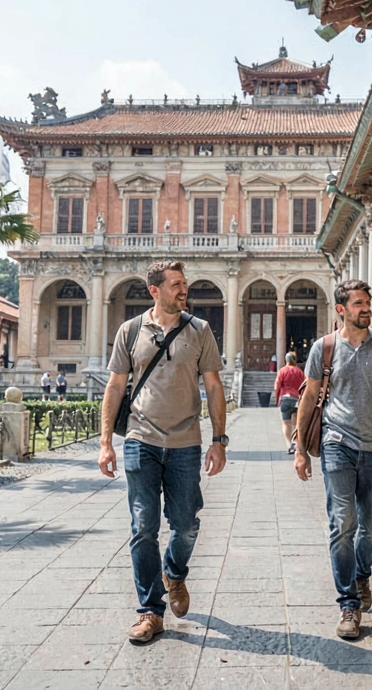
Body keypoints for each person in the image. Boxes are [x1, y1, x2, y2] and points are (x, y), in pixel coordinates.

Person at [98, 260, 228, 645]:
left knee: (186, 524)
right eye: (175, 284)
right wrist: (106, 441)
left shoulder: (200, 330)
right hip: (140, 439)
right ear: (154, 291)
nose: (182, 289)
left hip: (186, 441)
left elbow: (215, 387)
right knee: (142, 527)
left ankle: (174, 571)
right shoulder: (131, 330)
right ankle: (150, 612)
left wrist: (219, 439)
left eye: (184, 283)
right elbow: (115, 387)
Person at [295, 279, 372, 641]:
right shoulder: (324, 348)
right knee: (341, 522)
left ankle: (361, 575)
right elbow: (309, 397)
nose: (366, 308)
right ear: (341, 309)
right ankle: (348, 603)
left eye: (368, 302)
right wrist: (300, 449)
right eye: (359, 303)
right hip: (336, 444)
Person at [274, 351, 305, 454]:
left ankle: (289, 445)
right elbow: (304, 385)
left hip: (285, 398)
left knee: (286, 423)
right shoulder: (300, 372)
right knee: (296, 424)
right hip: (297, 399)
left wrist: (277, 397)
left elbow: (277, 385)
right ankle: (296, 443)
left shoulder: (282, 371)